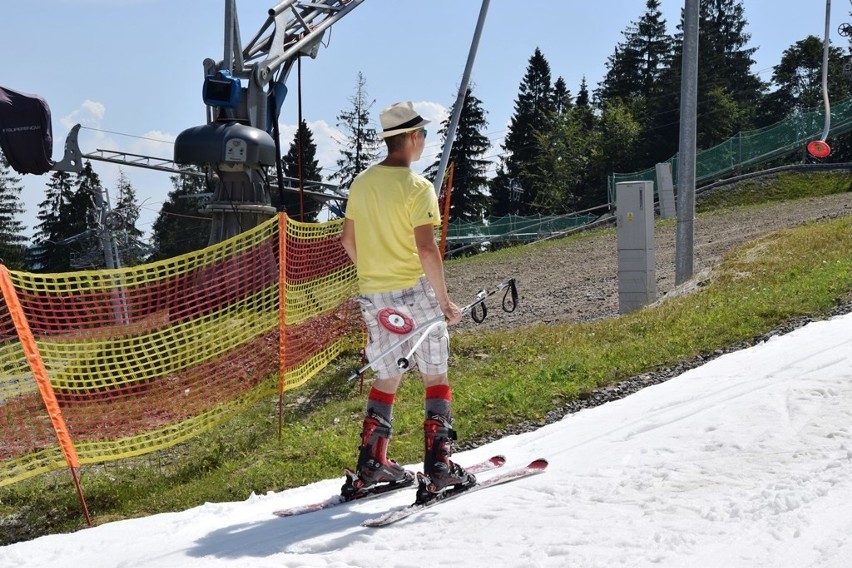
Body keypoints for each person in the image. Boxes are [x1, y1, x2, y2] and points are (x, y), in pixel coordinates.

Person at [340, 101, 473, 502]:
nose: (424, 142)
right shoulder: (418, 188)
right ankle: (439, 468)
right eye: (424, 135)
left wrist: (376, 274)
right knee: (435, 374)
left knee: (387, 373)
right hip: (414, 291)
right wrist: (446, 303)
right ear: (412, 139)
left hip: (374, 294)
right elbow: (427, 250)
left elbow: (347, 240)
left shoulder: (362, 184)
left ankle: (372, 465)